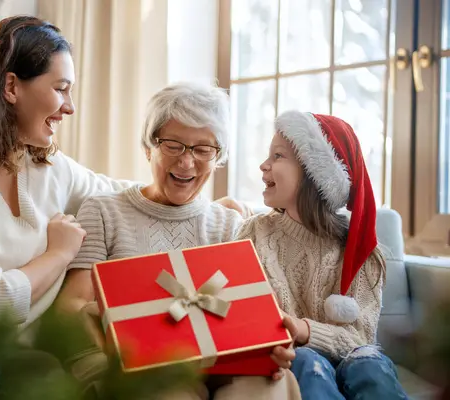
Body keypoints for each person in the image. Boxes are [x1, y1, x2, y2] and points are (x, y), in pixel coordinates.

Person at [54, 83, 301, 400]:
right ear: (149, 148)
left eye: (202, 150)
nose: (187, 162)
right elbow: (72, 305)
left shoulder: (230, 225)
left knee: (266, 387)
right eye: (173, 145)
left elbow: (252, 314)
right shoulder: (103, 211)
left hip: (221, 366)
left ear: (217, 158)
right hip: (137, 368)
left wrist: (273, 347)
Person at [235, 110, 409, 399]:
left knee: (369, 364)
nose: (264, 165)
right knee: (307, 361)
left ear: (313, 174)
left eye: (278, 156)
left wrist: (305, 330)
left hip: (355, 358)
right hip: (294, 361)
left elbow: (360, 338)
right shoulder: (254, 235)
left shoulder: (362, 251)